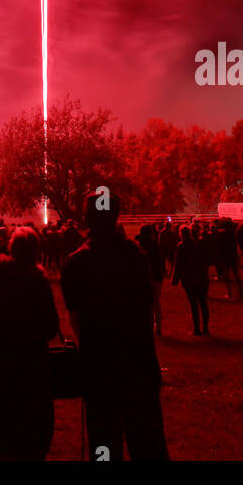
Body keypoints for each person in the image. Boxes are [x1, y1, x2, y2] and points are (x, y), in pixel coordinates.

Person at [62, 192, 168, 462]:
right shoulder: (135, 256)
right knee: (148, 445)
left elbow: (77, 323)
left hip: (99, 367)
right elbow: (147, 311)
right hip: (138, 362)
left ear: (87, 219)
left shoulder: (76, 263)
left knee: (104, 445)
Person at [0, 228, 59, 461]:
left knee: (4, 430)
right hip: (30, 367)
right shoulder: (37, 281)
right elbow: (51, 326)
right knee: (32, 435)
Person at [172, 226, 210, 336]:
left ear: (181, 234)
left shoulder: (182, 246)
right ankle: (205, 328)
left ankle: (197, 329)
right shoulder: (199, 244)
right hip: (201, 277)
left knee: (194, 304)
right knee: (203, 303)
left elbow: (178, 265)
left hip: (189, 279)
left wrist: (175, 280)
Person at [136, 224, 164, 336]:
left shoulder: (138, 245)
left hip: (142, 276)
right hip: (156, 276)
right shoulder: (154, 245)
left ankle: (148, 326)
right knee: (155, 302)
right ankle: (158, 326)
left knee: (144, 302)